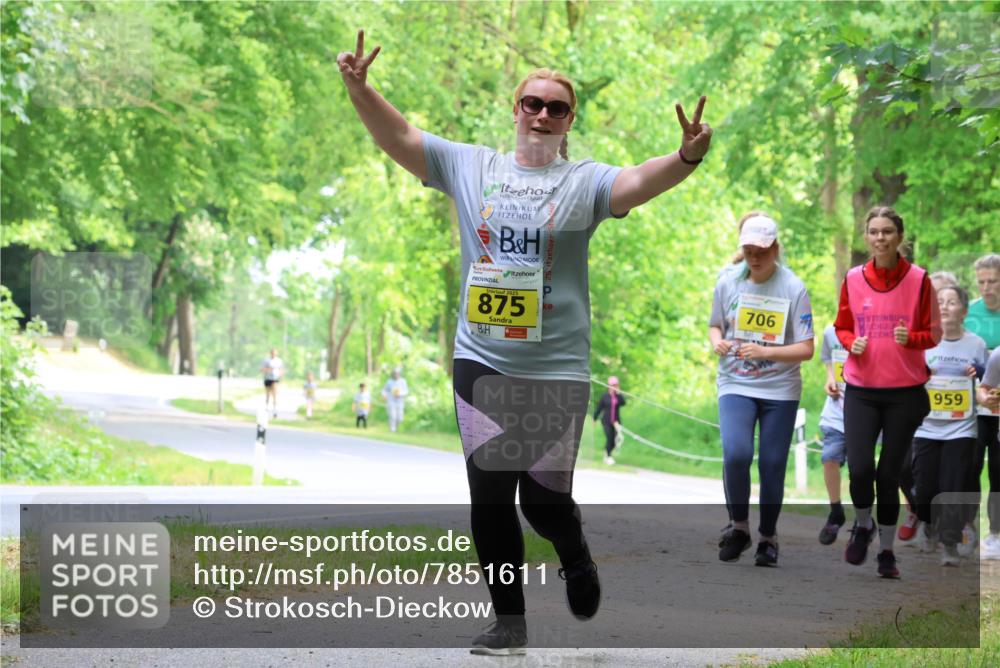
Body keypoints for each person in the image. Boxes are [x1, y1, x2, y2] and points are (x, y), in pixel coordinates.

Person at [339, 29, 712, 655]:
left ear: (569, 122)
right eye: (532, 103)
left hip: (554, 370)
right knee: (489, 495)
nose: (542, 114)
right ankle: (509, 623)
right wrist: (359, 89)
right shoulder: (472, 167)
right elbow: (400, 137)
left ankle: (575, 552)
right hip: (482, 359)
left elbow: (638, 181)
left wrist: (686, 157)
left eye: (555, 108)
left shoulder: (584, 182)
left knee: (542, 503)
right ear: (515, 109)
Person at [835, 206, 941, 579]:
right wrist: (851, 342)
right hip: (861, 389)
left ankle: (887, 552)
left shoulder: (920, 279)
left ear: (899, 237)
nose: (880, 238)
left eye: (887, 231)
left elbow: (934, 333)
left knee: (888, 475)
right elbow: (842, 326)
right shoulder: (853, 278)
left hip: (904, 392)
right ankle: (862, 525)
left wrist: (912, 338)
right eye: (874, 231)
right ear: (866, 237)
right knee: (861, 468)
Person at [710, 214, 815, 567]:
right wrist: (717, 342)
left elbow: (807, 348)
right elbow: (714, 325)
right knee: (736, 453)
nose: (755, 258)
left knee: (772, 463)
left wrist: (766, 352)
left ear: (776, 249)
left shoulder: (793, 287)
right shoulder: (728, 281)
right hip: (736, 382)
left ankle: (768, 537)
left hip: (780, 388)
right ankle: (739, 527)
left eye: (762, 251)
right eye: (749, 251)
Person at [910, 285, 986, 565]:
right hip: (927, 426)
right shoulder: (924, 342)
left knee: (953, 485)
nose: (944, 306)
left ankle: (950, 544)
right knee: (924, 487)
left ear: (964, 311)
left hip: (961, 427)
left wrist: (978, 372)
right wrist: (921, 374)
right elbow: (908, 375)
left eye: (951, 302)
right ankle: (928, 522)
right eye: (939, 301)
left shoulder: (976, 344)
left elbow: (988, 380)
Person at [898, 270, 960, 542]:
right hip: (911, 408)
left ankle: (940, 522)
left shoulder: (962, 336)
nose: (936, 300)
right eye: (931, 292)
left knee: (940, 474)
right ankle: (916, 509)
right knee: (902, 468)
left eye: (942, 294)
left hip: (949, 420)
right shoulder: (911, 326)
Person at [966, 254, 1000, 559]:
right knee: (970, 467)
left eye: (993, 281)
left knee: (998, 471)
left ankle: (996, 534)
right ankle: (969, 531)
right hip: (974, 405)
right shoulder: (969, 314)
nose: (987, 287)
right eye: (982, 282)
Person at [817, 323, 849, 545]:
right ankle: (836, 511)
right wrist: (830, 378)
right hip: (837, 411)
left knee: (861, 471)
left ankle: (864, 521)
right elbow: (829, 359)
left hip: (868, 414)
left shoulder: (877, 331)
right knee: (829, 457)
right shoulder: (830, 331)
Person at [593, 376, 626, 465]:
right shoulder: (605, 396)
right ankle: (608, 456)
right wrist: (594, 419)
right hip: (606, 421)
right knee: (609, 438)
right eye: (613, 385)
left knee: (615, 440)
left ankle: (607, 453)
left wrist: (619, 393)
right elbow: (599, 408)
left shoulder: (618, 396)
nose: (615, 386)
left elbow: (623, 403)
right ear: (609, 385)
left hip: (616, 422)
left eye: (616, 385)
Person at [381, 368, 409, 433]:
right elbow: (384, 390)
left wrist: (400, 394)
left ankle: (396, 427)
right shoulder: (389, 382)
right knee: (392, 415)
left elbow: (406, 391)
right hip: (391, 400)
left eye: (397, 374)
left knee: (400, 417)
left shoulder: (403, 381)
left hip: (400, 401)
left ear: (399, 374)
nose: (396, 375)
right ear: (392, 374)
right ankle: (392, 429)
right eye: (395, 374)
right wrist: (384, 395)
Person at [260, 348, 284, 418]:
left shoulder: (279, 361)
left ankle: (274, 410)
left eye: (275, 353)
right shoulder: (266, 360)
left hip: (275, 379)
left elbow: (282, 370)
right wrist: (268, 369)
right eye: (272, 352)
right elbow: (262, 369)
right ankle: (266, 408)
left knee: (275, 395)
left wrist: (281, 375)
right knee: (268, 394)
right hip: (268, 378)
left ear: (277, 353)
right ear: (270, 353)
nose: (273, 354)